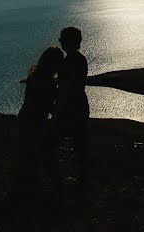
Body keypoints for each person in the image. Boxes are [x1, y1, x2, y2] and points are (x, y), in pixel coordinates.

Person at [11, 46, 64, 200]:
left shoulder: (35, 77)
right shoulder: (47, 82)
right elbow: (48, 105)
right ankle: (46, 190)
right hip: (34, 122)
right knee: (41, 155)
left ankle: (25, 190)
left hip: (26, 119)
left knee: (28, 156)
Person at [56, 26, 90, 189]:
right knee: (80, 143)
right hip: (81, 104)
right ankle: (82, 179)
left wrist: (57, 111)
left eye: (61, 39)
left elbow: (64, 89)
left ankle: (61, 181)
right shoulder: (81, 59)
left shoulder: (67, 63)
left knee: (53, 143)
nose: (60, 42)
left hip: (70, 107)